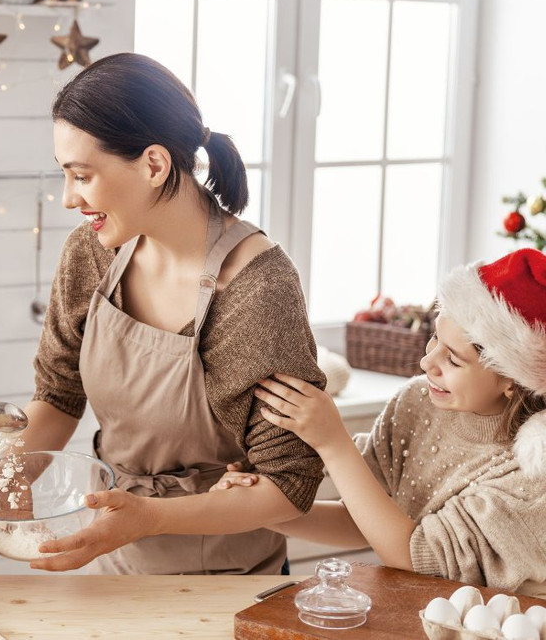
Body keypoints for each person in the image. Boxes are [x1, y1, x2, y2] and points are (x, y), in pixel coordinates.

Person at [14, 52, 326, 575]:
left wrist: (150, 518)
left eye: (82, 176)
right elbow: (59, 396)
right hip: (114, 554)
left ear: (154, 165)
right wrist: (4, 476)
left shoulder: (255, 288)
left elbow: (289, 484)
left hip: (227, 579)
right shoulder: (92, 253)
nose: (68, 198)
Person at [214, 247, 546, 594]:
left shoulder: (532, 473)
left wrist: (333, 443)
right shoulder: (418, 401)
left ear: (512, 379)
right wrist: (266, 508)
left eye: (453, 360)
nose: (426, 363)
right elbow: (364, 521)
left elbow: (417, 560)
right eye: (435, 337)